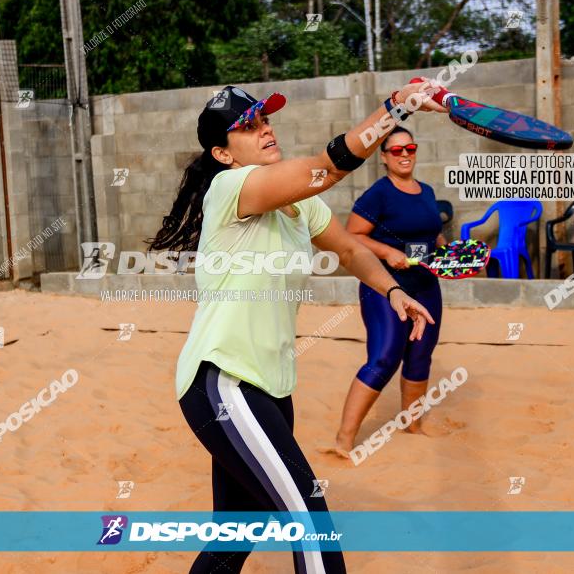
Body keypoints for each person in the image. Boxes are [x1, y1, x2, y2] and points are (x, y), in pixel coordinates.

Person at [149, 83, 446, 573]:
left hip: (271, 389)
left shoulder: (299, 206)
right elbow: (328, 169)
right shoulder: (231, 189)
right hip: (224, 382)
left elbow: (350, 250)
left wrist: (392, 290)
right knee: (311, 526)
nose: (264, 128)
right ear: (222, 153)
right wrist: (395, 109)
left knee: (234, 537)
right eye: (247, 125)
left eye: (264, 119)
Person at [332, 126, 447, 457]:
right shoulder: (378, 194)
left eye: (410, 147)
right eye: (396, 150)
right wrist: (387, 253)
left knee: (421, 353)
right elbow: (352, 235)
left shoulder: (426, 191)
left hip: (426, 284)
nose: (405, 154)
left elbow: (433, 236)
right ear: (384, 157)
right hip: (384, 286)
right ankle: (343, 439)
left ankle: (412, 425)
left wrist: (452, 255)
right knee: (384, 357)